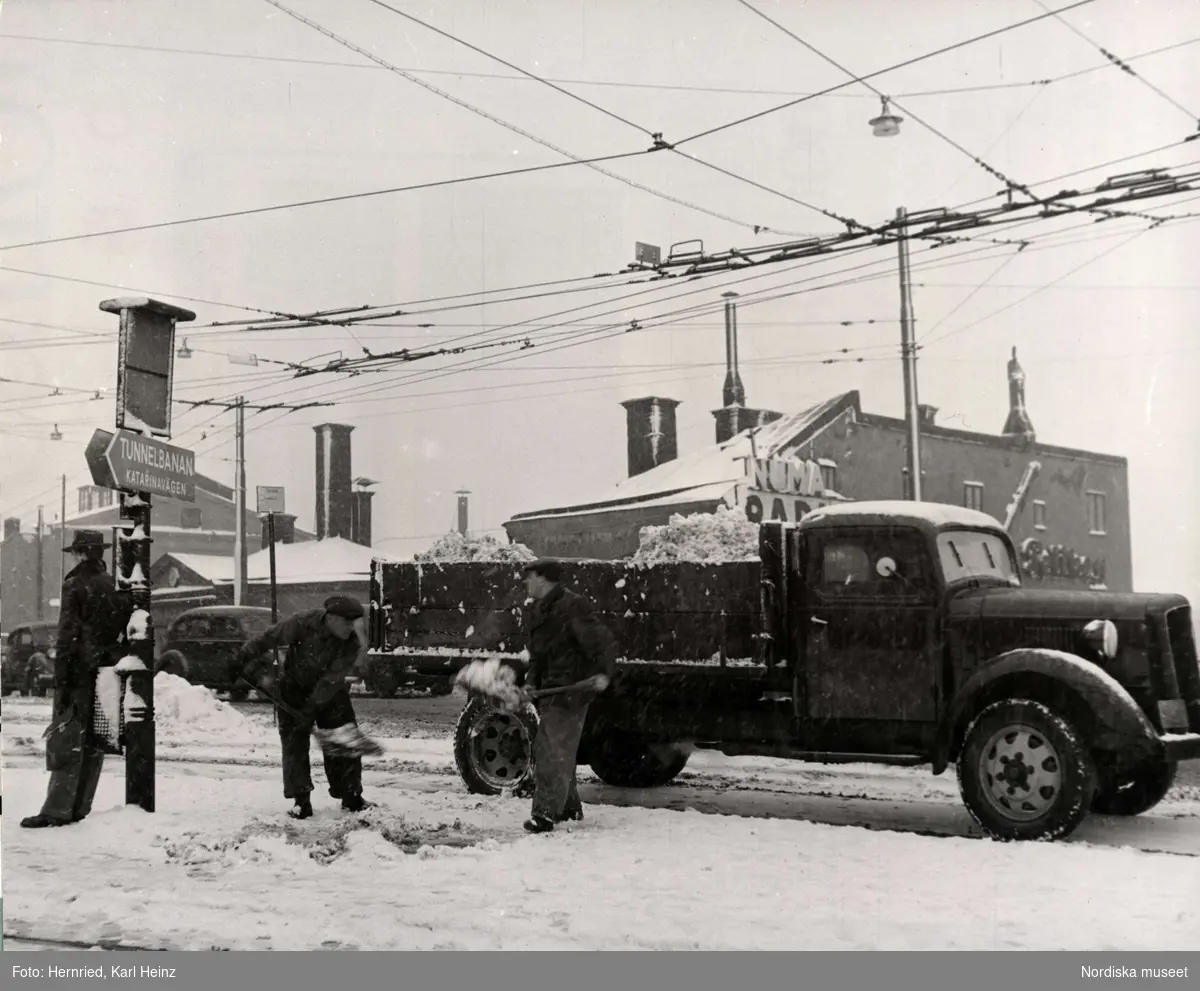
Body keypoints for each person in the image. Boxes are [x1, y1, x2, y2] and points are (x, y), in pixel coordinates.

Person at [21, 530, 131, 829]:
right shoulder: (115, 586)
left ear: (81, 554)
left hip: (78, 672)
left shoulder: (75, 585)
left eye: (74, 553)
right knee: (94, 739)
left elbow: (68, 635)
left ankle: (57, 810)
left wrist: (61, 675)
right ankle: (80, 806)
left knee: (66, 737)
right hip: (106, 673)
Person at [236, 595, 372, 819]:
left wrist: (310, 710)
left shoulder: (351, 643)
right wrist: (245, 654)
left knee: (344, 741)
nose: (351, 627)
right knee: (294, 745)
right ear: (331, 618)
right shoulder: (302, 622)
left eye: (354, 622)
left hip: (330, 693)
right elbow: (270, 637)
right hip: (294, 689)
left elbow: (330, 680)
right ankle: (301, 801)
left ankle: (351, 796)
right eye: (347, 622)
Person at [520, 559, 617, 834]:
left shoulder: (572, 605)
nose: (526, 583)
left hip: (572, 691)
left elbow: (603, 642)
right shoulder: (540, 609)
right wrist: (529, 683)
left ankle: (544, 815)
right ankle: (568, 808)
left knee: (550, 752)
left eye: (529, 577)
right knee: (559, 751)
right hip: (551, 690)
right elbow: (537, 655)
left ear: (542, 578)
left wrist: (604, 673)